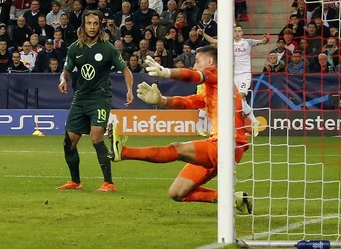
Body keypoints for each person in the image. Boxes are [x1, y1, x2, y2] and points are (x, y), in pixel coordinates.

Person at [107, 48, 252, 213]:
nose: (194, 65)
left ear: (210, 62)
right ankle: (234, 200)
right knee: (177, 193)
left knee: (177, 148)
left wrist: (166, 72)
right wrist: (162, 101)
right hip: (220, 145)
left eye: (197, 60)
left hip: (227, 143)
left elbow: (193, 76)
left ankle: (124, 152)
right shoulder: (214, 88)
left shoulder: (217, 73)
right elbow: (189, 102)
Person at [57, 10, 134, 192]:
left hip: (99, 98)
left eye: (95, 23)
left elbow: (126, 70)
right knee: (69, 142)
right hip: (80, 98)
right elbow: (66, 70)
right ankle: (75, 182)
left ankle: (109, 183)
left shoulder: (108, 48)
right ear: (83, 26)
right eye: (88, 23)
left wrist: (129, 90)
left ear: (100, 25)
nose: (92, 27)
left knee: (97, 136)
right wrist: (63, 80)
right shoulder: (75, 48)